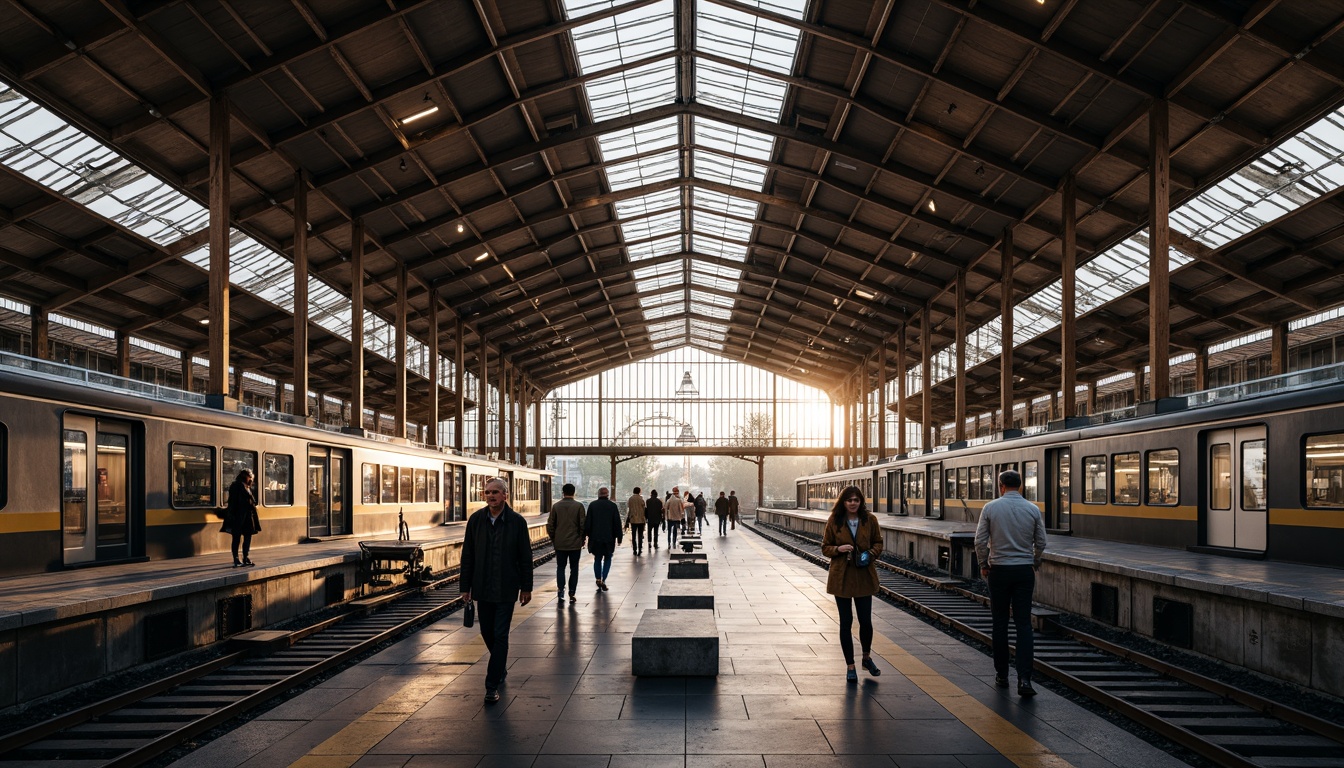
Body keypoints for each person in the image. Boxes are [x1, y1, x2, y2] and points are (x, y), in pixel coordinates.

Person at [460, 477, 533, 704]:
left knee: (500, 635)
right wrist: (465, 587)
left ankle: (491, 685)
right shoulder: (476, 520)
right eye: (487, 492)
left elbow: (525, 557)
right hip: (482, 587)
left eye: (495, 492)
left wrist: (526, 587)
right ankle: (499, 666)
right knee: (487, 633)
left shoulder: (517, 522)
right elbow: (468, 555)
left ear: (505, 495)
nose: (490, 496)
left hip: (506, 588)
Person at [975, 469, 1048, 697]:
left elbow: (979, 541)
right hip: (1024, 571)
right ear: (1022, 487)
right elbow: (1042, 542)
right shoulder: (1033, 509)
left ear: (1001, 486)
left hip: (999, 571)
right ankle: (1025, 680)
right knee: (1024, 624)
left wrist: (983, 564)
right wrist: (1033, 561)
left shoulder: (990, 508)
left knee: (1000, 622)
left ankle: (1002, 675)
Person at [821, 485, 883, 682]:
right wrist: (838, 549)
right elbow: (825, 547)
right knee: (846, 622)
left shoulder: (870, 520)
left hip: (864, 575)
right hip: (842, 578)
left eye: (856, 500)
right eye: (849, 500)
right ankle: (850, 666)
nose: (853, 503)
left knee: (866, 621)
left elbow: (878, 543)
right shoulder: (834, 520)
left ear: (861, 501)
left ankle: (866, 657)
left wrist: (871, 553)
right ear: (843, 502)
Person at [546, 483, 585, 604]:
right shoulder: (579, 506)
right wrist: (582, 538)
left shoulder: (556, 506)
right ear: (574, 492)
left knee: (560, 567)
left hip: (560, 543)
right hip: (575, 544)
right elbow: (583, 525)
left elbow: (550, 524)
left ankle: (561, 590)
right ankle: (572, 591)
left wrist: (554, 538)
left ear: (563, 492)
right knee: (574, 568)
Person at [585, 487, 622, 591]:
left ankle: (598, 578)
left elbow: (588, 522)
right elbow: (616, 523)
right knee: (608, 558)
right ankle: (604, 578)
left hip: (595, 538)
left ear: (598, 494)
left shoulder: (592, 505)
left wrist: (587, 535)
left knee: (597, 558)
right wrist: (619, 537)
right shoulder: (613, 506)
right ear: (607, 494)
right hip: (609, 538)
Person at [221, 469, 261, 567]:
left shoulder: (245, 487)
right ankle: (237, 558)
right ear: (246, 477)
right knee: (238, 538)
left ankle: (244, 557)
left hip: (246, 516)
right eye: (250, 478)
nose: (251, 480)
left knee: (244, 537)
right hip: (239, 516)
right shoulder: (238, 486)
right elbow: (234, 502)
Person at [625, 486, 647, 556]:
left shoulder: (630, 499)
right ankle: (640, 549)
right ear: (639, 491)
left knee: (633, 535)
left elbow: (629, 508)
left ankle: (634, 549)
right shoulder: (641, 499)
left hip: (633, 519)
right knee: (640, 535)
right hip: (641, 519)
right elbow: (644, 507)